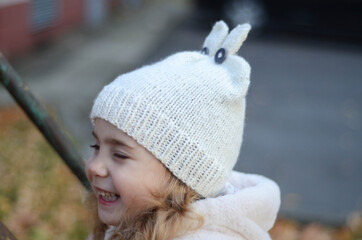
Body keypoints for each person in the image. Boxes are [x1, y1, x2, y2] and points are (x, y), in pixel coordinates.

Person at [85, 20, 281, 240]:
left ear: (181, 180)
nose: (94, 166)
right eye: (96, 146)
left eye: (120, 154)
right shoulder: (130, 220)